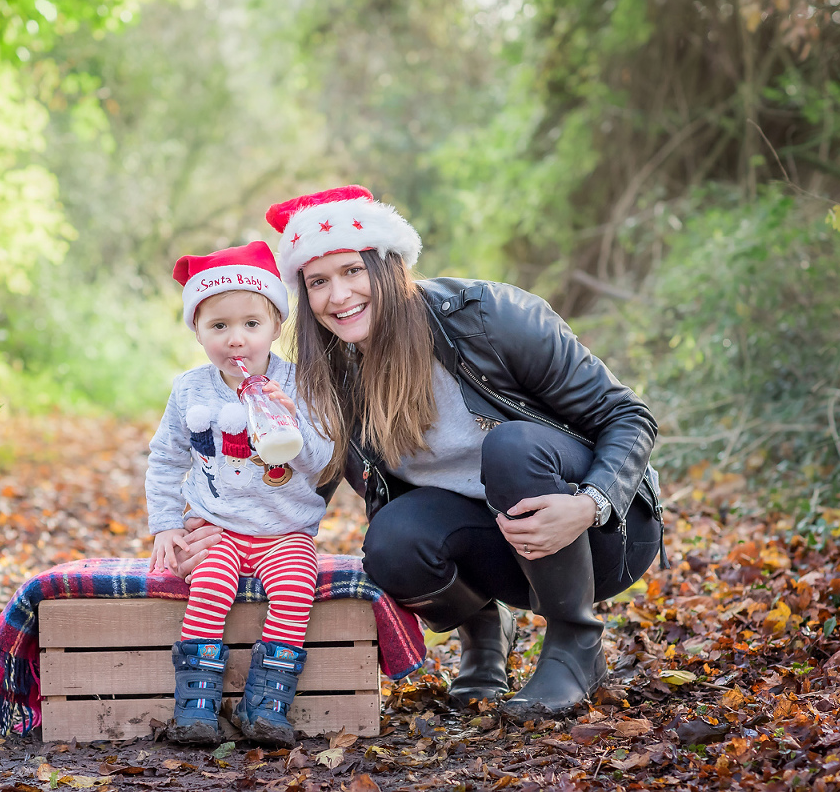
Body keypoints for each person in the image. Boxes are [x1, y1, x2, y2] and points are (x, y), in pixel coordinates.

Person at [253, 185, 665, 720]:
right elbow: (306, 478)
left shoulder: (488, 318)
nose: (338, 296)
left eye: (353, 271)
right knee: (393, 542)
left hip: (603, 534)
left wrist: (589, 503)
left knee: (512, 445)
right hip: (500, 549)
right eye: (318, 282)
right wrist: (220, 523)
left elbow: (629, 417)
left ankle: (574, 644)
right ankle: (484, 631)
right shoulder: (331, 374)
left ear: (390, 265)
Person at [146, 241, 334, 746]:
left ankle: (267, 703)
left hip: (285, 529)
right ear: (199, 332)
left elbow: (321, 464)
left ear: (276, 327)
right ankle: (197, 706)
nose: (237, 340)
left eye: (252, 324)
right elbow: (166, 459)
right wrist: (165, 523)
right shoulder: (191, 390)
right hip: (217, 529)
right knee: (209, 587)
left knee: (296, 590)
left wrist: (292, 420)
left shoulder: (301, 385)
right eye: (219, 326)